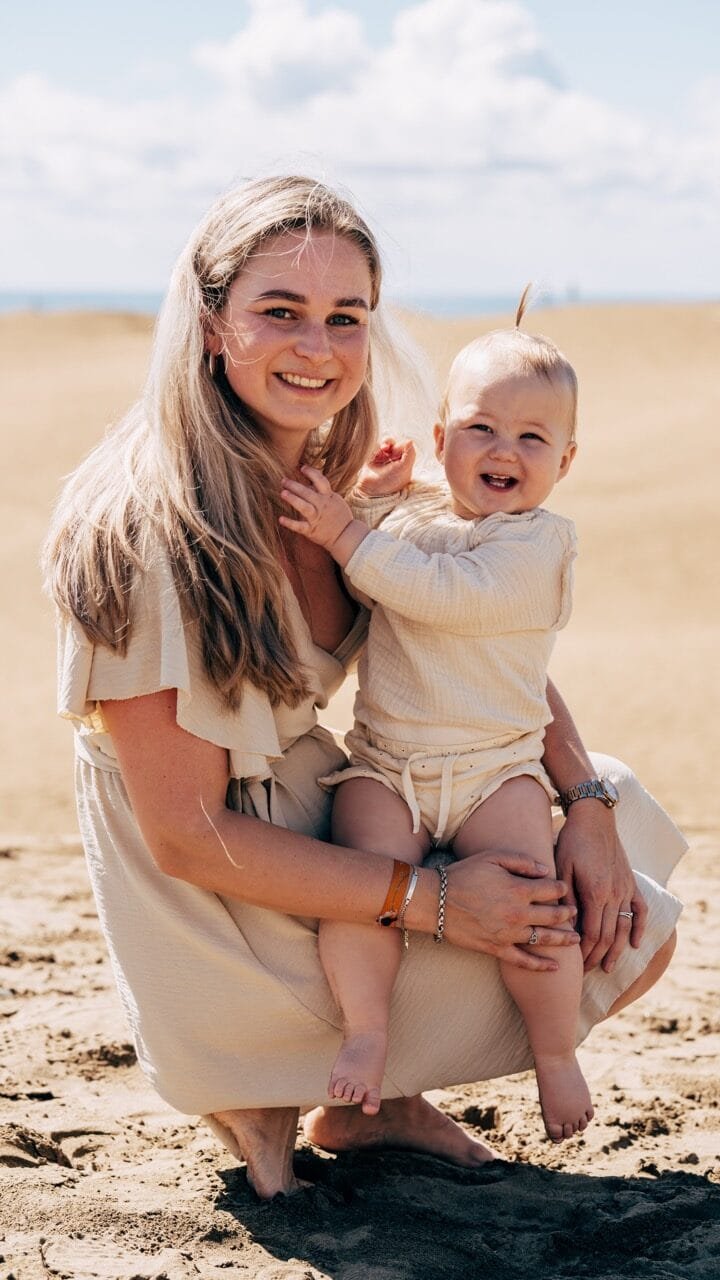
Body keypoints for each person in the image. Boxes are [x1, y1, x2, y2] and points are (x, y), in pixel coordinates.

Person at [43, 174, 685, 1200]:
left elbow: (477, 646)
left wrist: (588, 803)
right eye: (280, 312)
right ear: (211, 327)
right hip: (217, 893)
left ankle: (370, 1098)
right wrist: (437, 901)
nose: (319, 346)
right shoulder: (148, 536)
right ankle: (263, 1074)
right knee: (542, 911)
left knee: (621, 858)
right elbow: (184, 835)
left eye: (346, 316)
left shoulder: (333, 483)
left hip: (330, 815)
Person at [279, 314, 589, 1140]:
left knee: (538, 904)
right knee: (358, 891)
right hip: (389, 766)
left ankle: (554, 1055)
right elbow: (375, 557)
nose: (504, 451)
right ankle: (367, 1030)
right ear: (442, 437)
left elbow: (442, 594)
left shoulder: (538, 548)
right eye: (481, 428)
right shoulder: (415, 519)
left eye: (533, 438)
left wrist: (347, 533)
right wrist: (372, 503)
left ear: (565, 462)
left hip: (498, 771)